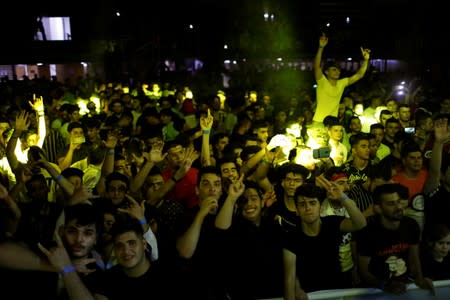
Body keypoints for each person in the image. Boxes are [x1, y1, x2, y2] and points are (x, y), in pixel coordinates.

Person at [282, 178, 367, 299]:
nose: (307, 208)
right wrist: (296, 288)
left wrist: (343, 198)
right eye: (302, 204)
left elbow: (360, 223)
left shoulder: (332, 223)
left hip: (337, 291)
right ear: (296, 210)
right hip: (309, 295)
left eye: (312, 203)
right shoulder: (291, 237)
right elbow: (289, 278)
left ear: (321, 208)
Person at [355, 183, 434, 295]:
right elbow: (364, 271)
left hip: (404, 287)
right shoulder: (367, 233)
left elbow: (414, 258)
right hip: (376, 291)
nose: (399, 207)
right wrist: (384, 285)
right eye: (391, 204)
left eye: (399, 201)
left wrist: (419, 279)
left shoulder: (411, 225)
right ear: (378, 208)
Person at [215, 180, 284, 299]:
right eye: (243, 200)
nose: (249, 204)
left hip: (275, 293)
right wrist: (232, 197)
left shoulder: (273, 226)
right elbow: (221, 229)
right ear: (237, 204)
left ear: (262, 202)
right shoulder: (233, 228)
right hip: (244, 294)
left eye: (253, 198)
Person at [312, 33, 371, 124]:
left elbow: (359, 75)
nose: (337, 72)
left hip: (334, 122)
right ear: (327, 72)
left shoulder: (342, 83)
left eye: (339, 70)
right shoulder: (322, 81)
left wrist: (366, 60)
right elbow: (316, 66)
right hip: (319, 121)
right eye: (334, 70)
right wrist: (321, 47)